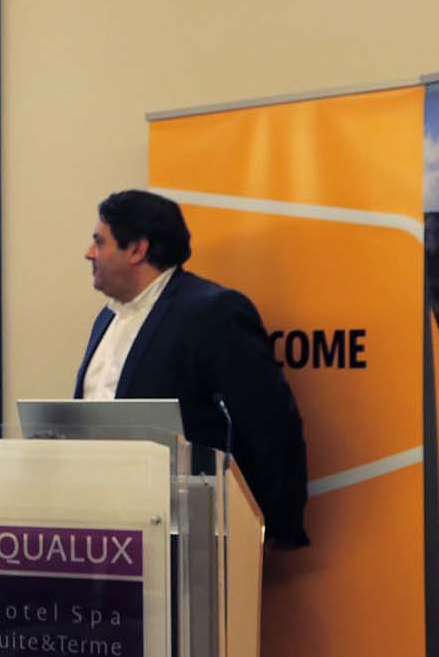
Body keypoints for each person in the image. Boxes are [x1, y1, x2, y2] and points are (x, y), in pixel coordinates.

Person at [75, 189, 310, 548]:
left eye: (99, 241)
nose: (89, 253)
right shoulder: (105, 320)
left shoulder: (213, 312)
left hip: (192, 540)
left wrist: (270, 529)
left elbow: (270, 423)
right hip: (106, 532)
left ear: (136, 249)